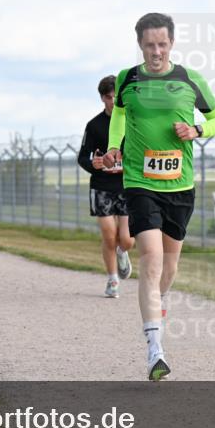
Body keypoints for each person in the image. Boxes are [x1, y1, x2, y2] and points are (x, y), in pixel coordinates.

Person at [103, 12, 215, 381]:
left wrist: (197, 129)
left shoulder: (189, 79)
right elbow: (120, 117)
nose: (156, 51)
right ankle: (155, 349)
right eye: (149, 44)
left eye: (162, 44)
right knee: (151, 258)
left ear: (171, 43)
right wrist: (114, 146)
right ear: (139, 44)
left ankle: (157, 306)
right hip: (140, 181)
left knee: (169, 268)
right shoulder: (128, 78)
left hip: (180, 185)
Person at [78, 74, 134, 298]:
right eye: (109, 97)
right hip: (102, 185)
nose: (113, 101)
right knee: (109, 235)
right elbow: (83, 157)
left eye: (117, 97)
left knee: (127, 240)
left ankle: (123, 253)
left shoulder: (131, 122)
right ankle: (112, 279)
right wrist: (93, 164)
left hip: (127, 185)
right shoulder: (94, 125)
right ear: (103, 98)